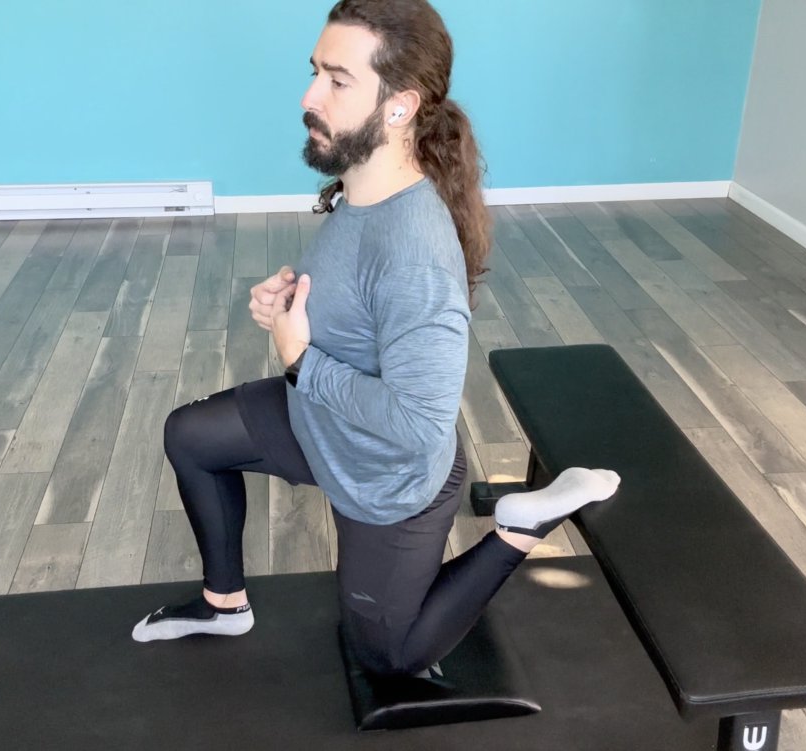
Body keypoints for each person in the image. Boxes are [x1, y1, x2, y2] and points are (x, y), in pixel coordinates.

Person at [132, 0, 620, 676]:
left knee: (387, 657)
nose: (308, 96)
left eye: (337, 80)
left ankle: (520, 526)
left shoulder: (414, 248)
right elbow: (353, 298)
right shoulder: (359, 191)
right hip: (322, 424)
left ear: (398, 106)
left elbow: (419, 425)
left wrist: (301, 358)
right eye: (313, 72)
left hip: (386, 478)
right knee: (189, 436)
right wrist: (290, 299)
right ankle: (224, 604)